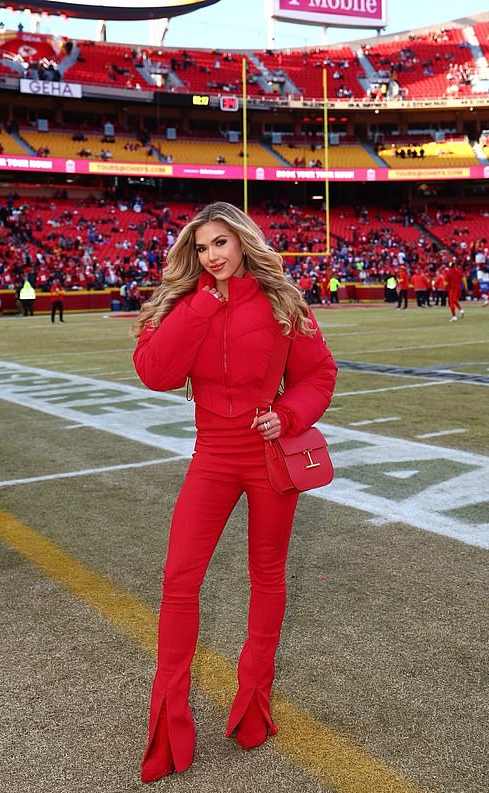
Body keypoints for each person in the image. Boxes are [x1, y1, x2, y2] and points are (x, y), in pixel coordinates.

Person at [132, 202, 337, 784]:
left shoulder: (282, 303)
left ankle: (253, 708)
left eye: (221, 243)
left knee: (266, 575)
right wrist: (202, 301)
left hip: (268, 455)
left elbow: (320, 374)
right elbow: (157, 372)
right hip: (212, 456)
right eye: (202, 247)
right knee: (178, 578)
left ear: (243, 243)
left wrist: (290, 416)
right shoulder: (184, 302)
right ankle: (168, 727)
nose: (212, 255)